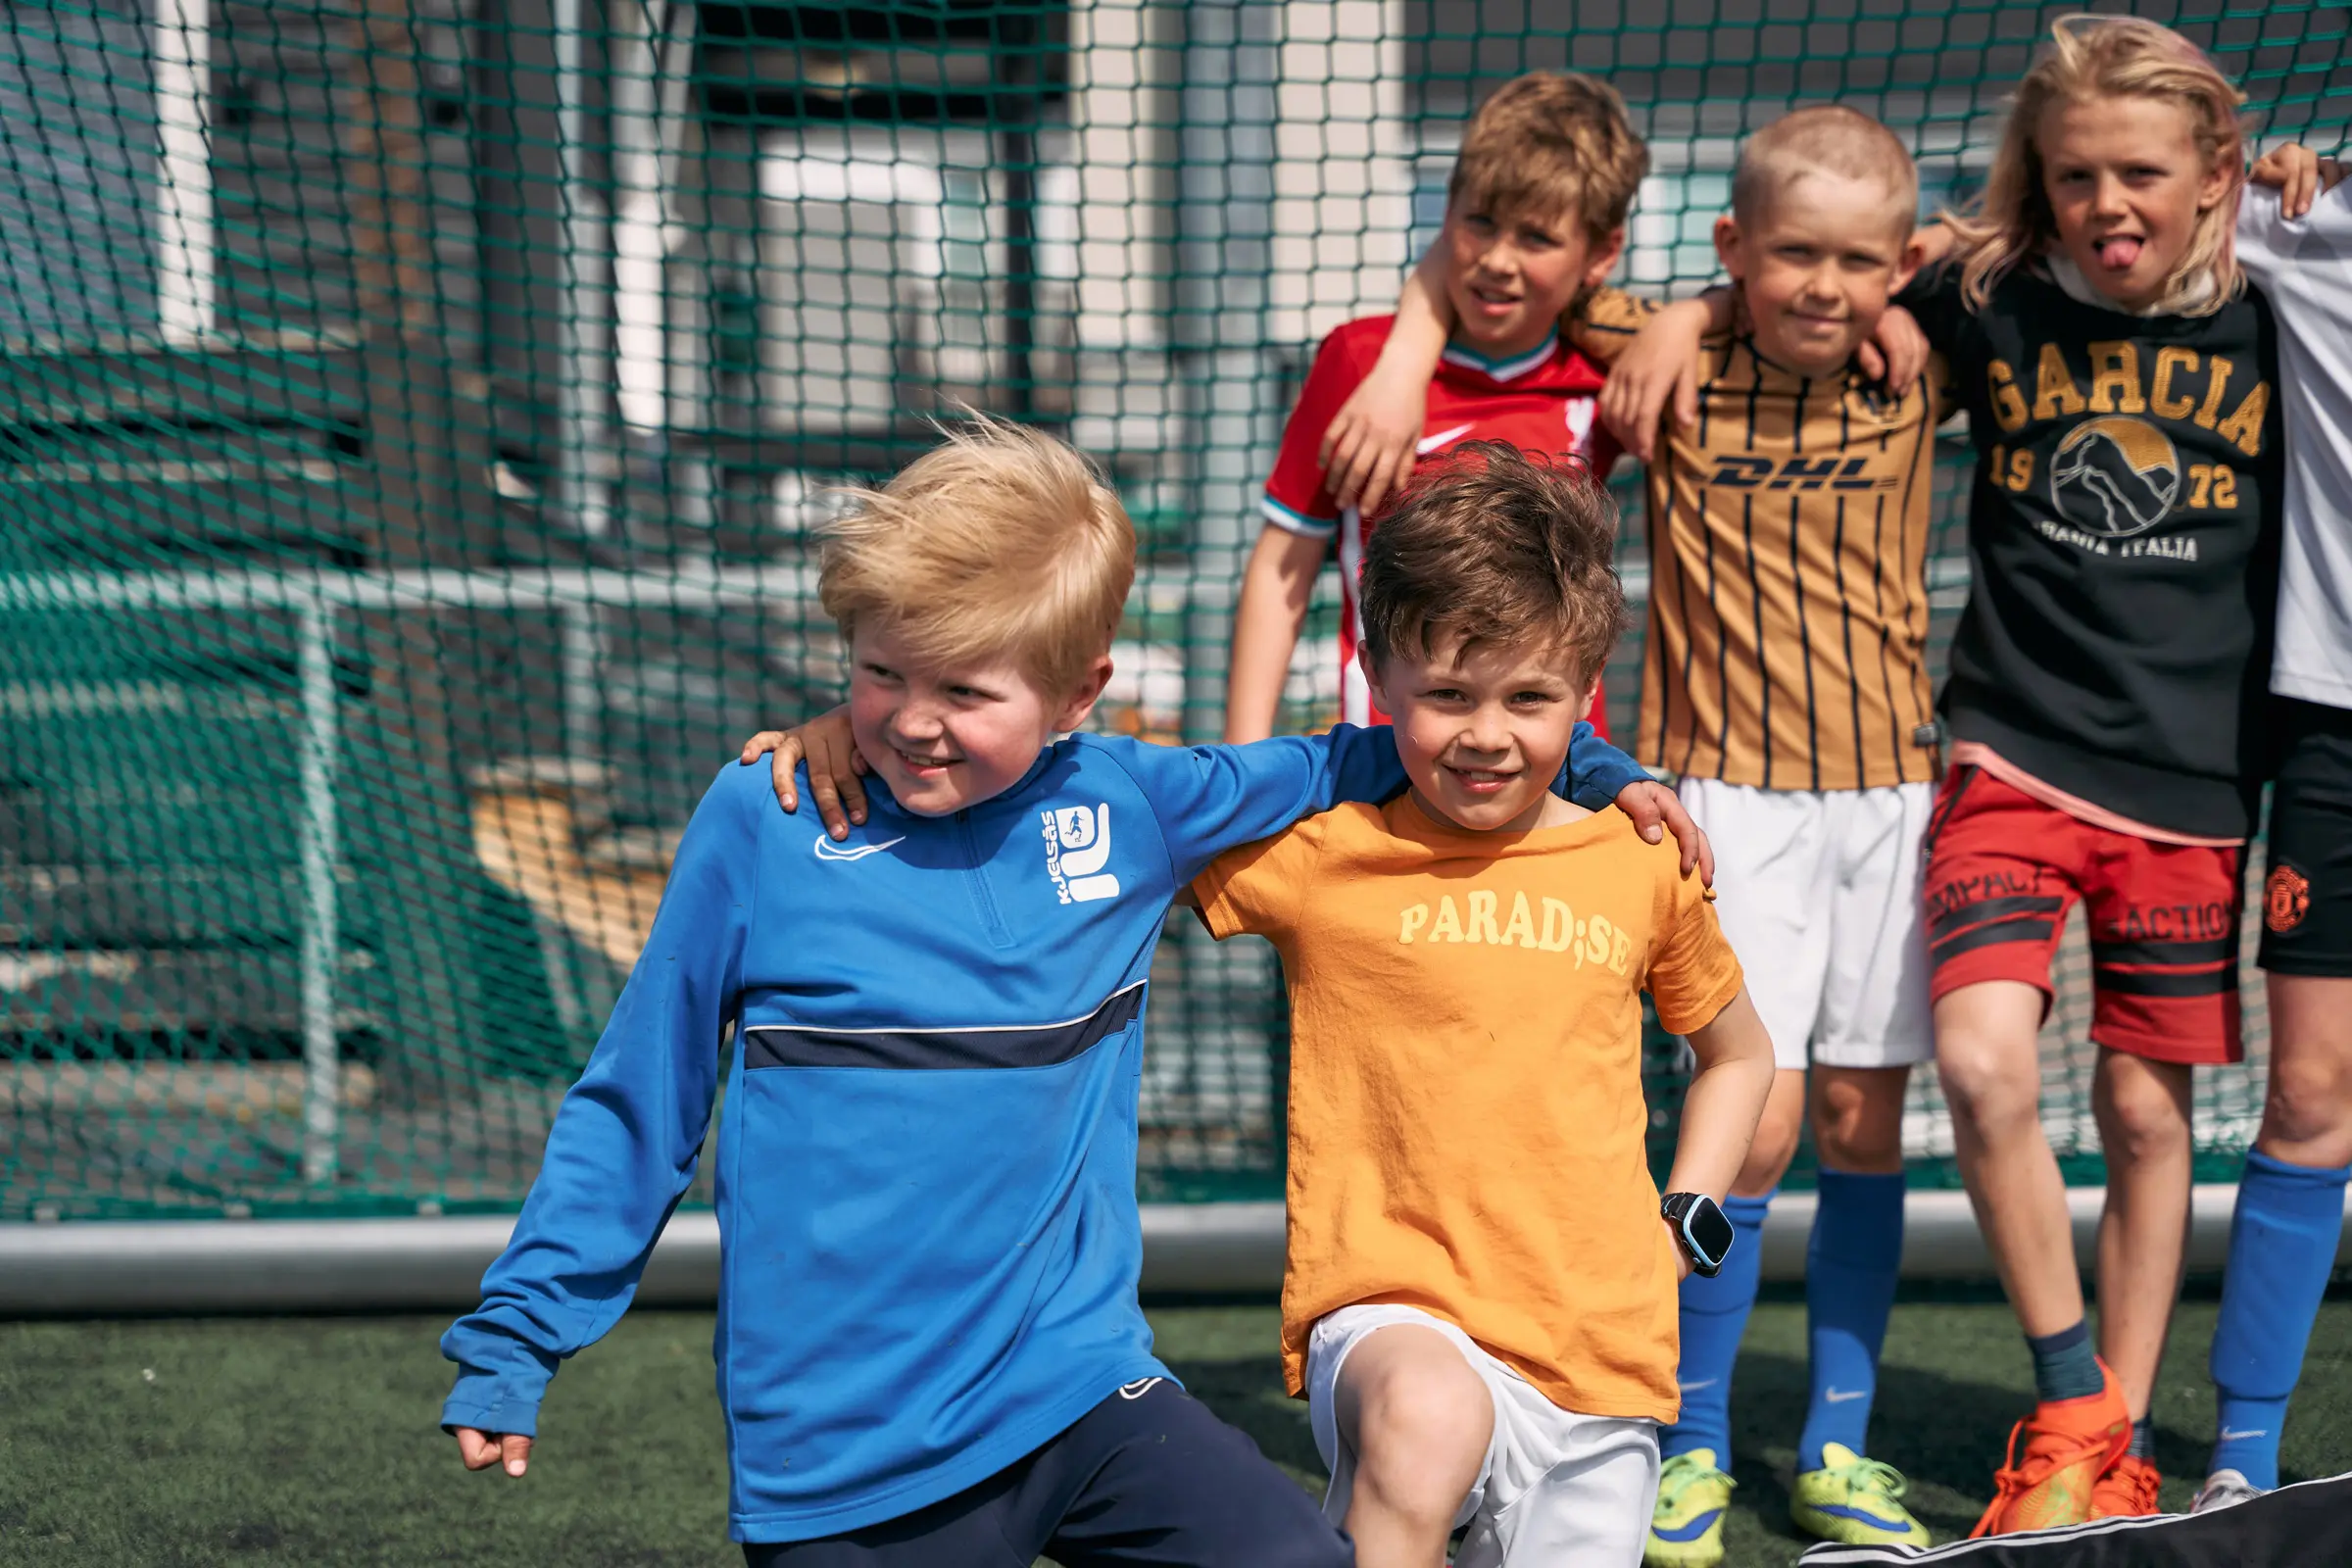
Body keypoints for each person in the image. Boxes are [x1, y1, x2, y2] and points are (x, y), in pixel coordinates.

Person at [441, 415, 1703, 1566]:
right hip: (841, 1453)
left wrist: (1597, 763)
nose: (912, 722)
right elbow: (638, 1099)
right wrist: (519, 1330)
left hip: (1082, 1391)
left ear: (1076, 694)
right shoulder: (765, 818)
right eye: (881, 673)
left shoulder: (1130, 801)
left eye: (964, 691)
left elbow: (1381, 750)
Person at [1668, 17, 2277, 1537]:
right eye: (2075, 175)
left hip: (2193, 784)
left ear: (2214, 174)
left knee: (2146, 1120)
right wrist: (1687, 308)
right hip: (1996, 749)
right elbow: (1826, 251)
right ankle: (2049, 1393)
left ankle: (2112, 1441)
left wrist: (2298, 190)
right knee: (1978, 1065)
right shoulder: (1981, 301)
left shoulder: (2281, 307)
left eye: (2143, 171)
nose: (2107, 202)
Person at [1317, 107, 1944, 1563]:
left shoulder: (1923, 356)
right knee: (1760, 1115)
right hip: (1724, 780)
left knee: (1861, 1118)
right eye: (1788, 257)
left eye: (1865, 264)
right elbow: (1502, 261)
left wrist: (1908, 294)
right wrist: (1432, 349)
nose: (1826, 284)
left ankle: (1836, 1442)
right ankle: (1694, 1436)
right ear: (1730, 252)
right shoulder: (1659, 351)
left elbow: (1997, 255)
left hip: (1890, 788)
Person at [1195, 442, 1776, 1568]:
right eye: (1447, 694)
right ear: (1381, 677)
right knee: (1427, 1420)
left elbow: (1740, 1057)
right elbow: (1106, 830)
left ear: (1585, 694)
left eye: (1529, 697)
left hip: (1600, 1349)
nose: (1485, 733)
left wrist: (1687, 1221)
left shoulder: (1641, 856)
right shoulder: (1322, 851)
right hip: (1392, 1317)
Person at [1224, 70, 1647, 746]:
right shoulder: (1361, 362)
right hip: (1384, 762)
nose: (1498, 261)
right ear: (1447, 213)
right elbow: (1284, 566)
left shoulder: (1606, 377)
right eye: (1480, 222)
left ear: (1601, 254)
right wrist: (1240, 761)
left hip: (1550, 765)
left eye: (1536, 238)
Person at [2193, 147, 2352, 1516]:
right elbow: (2069, 180)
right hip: (2334, 730)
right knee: (2307, 1095)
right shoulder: (2293, 220)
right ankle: (2242, 1465)